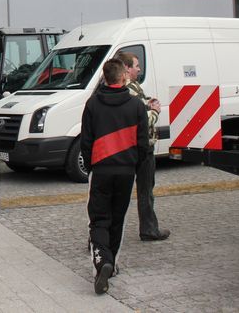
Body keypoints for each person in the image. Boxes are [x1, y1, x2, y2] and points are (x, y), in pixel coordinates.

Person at [80, 58, 148, 295]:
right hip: (126, 171)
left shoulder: (92, 105)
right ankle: (111, 262)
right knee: (118, 218)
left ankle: (102, 263)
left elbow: (86, 141)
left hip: (101, 170)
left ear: (105, 77)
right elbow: (143, 145)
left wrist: (90, 166)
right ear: (123, 77)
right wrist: (134, 166)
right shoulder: (137, 106)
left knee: (99, 219)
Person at [117, 51, 170, 242]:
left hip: (129, 146)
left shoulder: (128, 87)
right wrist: (154, 111)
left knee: (126, 191)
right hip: (142, 146)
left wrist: (147, 103)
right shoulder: (129, 89)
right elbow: (141, 120)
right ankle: (149, 229)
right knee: (146, 190)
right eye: (136, 65)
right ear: (127, 68)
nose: (139, 69)